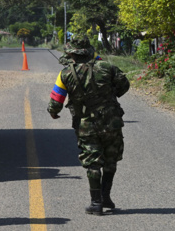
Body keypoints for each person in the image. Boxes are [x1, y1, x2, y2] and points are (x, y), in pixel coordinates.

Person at [48, 35, 129, 216]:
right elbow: (124, 85)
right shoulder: (108, 67)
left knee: (93, 163)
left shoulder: (65, 74)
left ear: (72, 54)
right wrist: (110, 95)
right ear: (89, 52)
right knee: (111, 160)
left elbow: (55, 101)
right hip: (111, 122)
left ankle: (96, 203)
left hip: (86, 125)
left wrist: (53, 112)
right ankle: (106, 196)